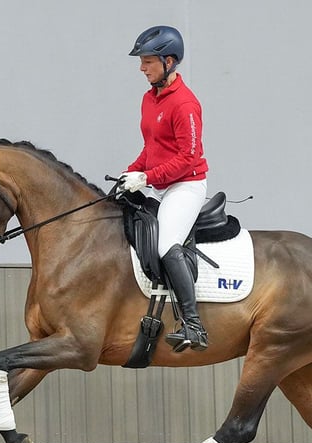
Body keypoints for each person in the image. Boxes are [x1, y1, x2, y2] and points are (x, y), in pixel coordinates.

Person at [120, 25, 209, 352]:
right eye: (142, 62)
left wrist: (146, 178)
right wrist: (131, 172)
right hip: (159, 181)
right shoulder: (149, 98)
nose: (142, 68)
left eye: (147, 62)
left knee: (166, 244)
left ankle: (193, 325)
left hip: (185, 185)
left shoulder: (185, 104)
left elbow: (188, 157)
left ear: (169, 61)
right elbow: (152, 147)